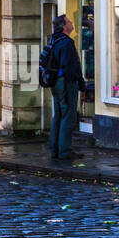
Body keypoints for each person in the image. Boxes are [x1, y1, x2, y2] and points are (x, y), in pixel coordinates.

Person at [47, 13, 85, 161]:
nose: (71, 22)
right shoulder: (67, 43)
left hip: (56, 82)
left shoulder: (54, 40)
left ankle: (55, 150)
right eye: (69, 21)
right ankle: (64, 151)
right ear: (64, 26)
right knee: (68, 115)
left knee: (58, 115)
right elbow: (70, 66)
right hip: (66, 82)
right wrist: (79, 82)